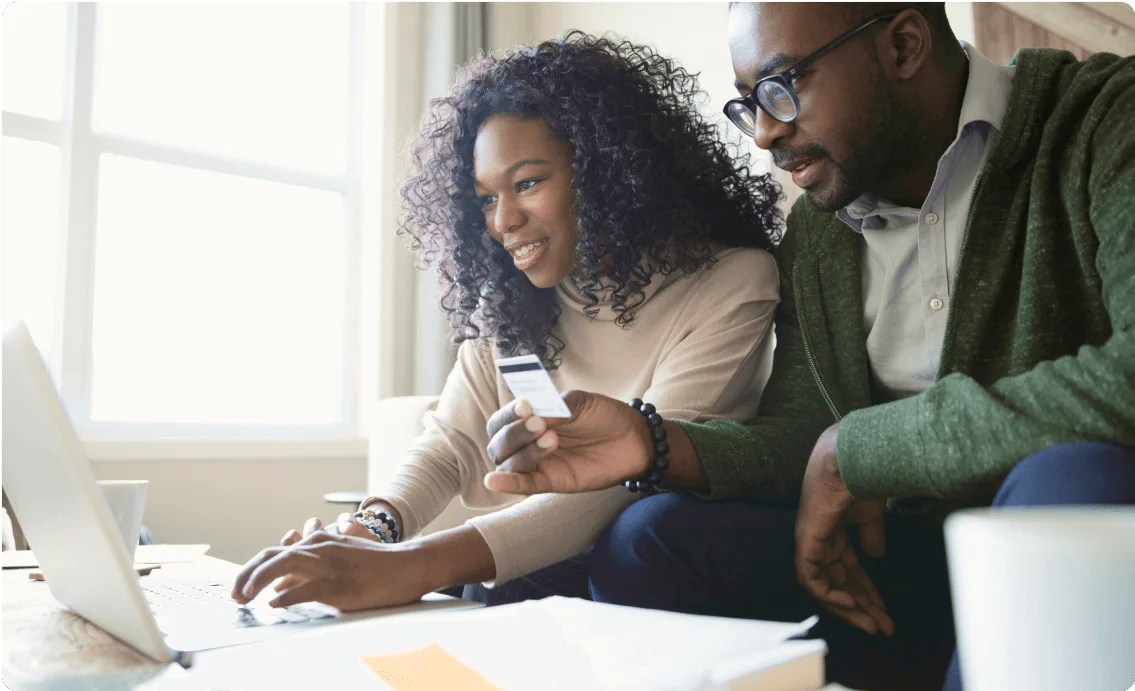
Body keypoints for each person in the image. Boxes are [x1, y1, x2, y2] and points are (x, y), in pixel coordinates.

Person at [480, 4, 1135, 690]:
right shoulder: (821, 231)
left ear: (903, 45)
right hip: (889, 587)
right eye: (749, 104)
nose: (765, 132)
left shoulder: (1103, 122)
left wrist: (860, 448)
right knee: (649, 536)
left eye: (782, 85)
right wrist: (655, 442)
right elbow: (803, 429)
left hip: (1054, 573)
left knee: (1071, 483)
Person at [232, 32, 784, 613]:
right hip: (538, 562)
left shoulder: (731, 284)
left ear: (611, 171)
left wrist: (409, 566)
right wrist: (370, 531)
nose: (504, 221)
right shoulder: (516, 305)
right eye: (486, 199)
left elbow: (629, 480)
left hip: (646, 565)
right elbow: (449, 445)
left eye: (527, 183)